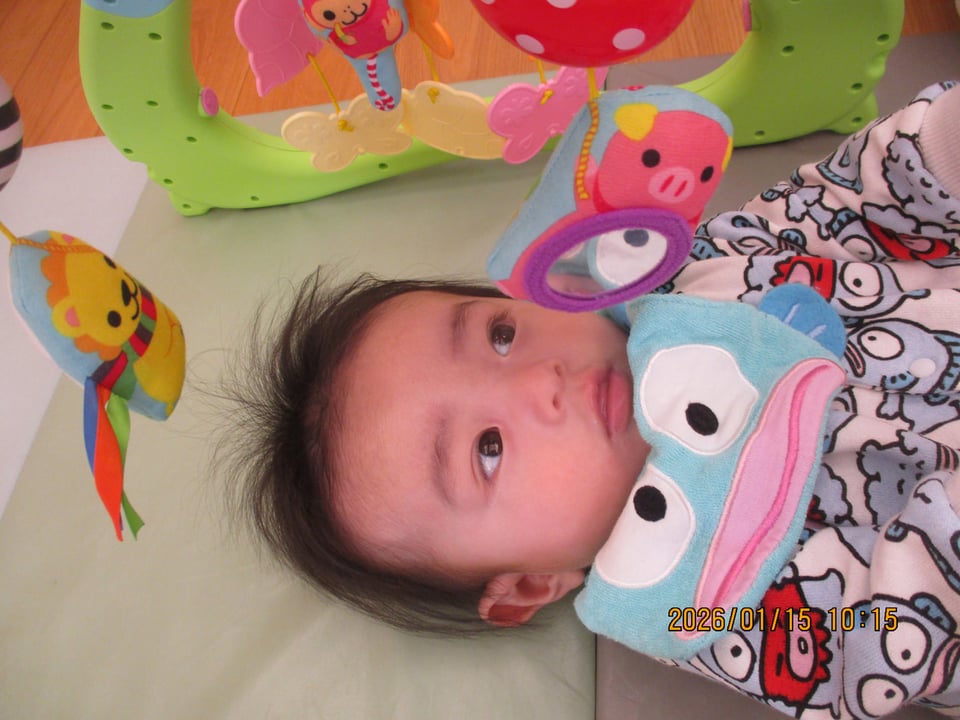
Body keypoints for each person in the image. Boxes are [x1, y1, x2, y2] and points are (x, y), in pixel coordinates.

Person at [222, 81, 960, 717]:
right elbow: (884, 636)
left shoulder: (689, 274)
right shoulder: (690, 603)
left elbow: (841, 202)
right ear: (532, 582)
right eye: (488, 449)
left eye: (501, 335)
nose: (540, 380)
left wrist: (935, 150)